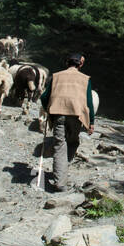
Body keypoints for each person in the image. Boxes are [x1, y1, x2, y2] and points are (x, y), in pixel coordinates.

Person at [39, 53, 96, 191]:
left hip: (58, 114)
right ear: (80, 64)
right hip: (76, 116)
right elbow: (89, 102)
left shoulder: (56, 76)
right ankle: (62, 174)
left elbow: (44, 96)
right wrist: (91, 122)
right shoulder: (85, 79)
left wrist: (48, 108)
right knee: (72, 142)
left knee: (59, 145)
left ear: (67, 63)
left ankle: (60, 179)